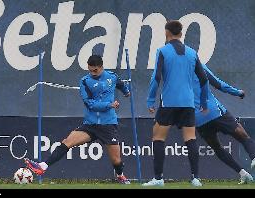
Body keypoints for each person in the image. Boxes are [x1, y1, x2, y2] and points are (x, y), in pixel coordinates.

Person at [24, 55, 131, 184]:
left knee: (116, 160)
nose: (92, 73)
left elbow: (121, 84)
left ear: (102, 67)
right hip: (90, 124)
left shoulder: (112, 77)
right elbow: (89, 104)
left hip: (108, 124)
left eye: (95, 70)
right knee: (67, 142)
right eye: (90, 70)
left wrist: (126, 92)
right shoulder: (85, 81)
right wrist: (109, 105)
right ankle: (42, 166)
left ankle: (120, 175)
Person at [143, 20, 209, 187]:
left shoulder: (162, 51)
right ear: (181, 33)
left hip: (169, 103)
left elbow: (156, 78)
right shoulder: (192, 53)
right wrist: (203, 101)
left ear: (166, 32)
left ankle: (158, 179)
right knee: (190, 138)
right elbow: (203, 79)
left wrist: (151, 100)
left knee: (158, 137)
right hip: (187, 103)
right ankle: (196, 178)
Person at [193, 63, 255, 184]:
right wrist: (238, 92)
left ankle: (243, 173)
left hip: (198, 119)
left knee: (217, 148)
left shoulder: (175, 75)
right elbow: (218, 84)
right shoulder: (196, 63)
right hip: (214, 112)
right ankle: (254, 156)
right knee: (243, 136)